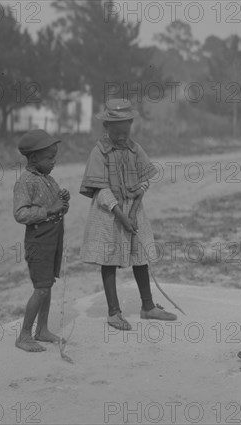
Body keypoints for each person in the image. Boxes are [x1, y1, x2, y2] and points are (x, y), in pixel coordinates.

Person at [79, 98, 177, 331]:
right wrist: (121, 215)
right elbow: (101, 190)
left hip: (134, 211)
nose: (123, 136)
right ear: (106, 128)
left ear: (131, 125)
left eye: (126, 131)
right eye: (117, 132)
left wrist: (132, 212)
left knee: (140, 256)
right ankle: (114, 313)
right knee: (109, 259)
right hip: (108, 214)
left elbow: (144, 181)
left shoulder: (135, 149)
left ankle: (148, 307)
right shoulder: (99, 152)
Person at [13, 129, 70, 352]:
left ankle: (42, 330)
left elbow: (59, 209)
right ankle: (24, 335)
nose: (54, 162)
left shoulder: (49, 180)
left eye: (54, 157)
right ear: (34, 158)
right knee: (41, 288)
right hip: (38, 241)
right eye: (49, 157)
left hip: (53, 240)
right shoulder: (25, 182)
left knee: (47, 285)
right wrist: (48, 210)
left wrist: (63, 201)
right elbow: (20, 214)